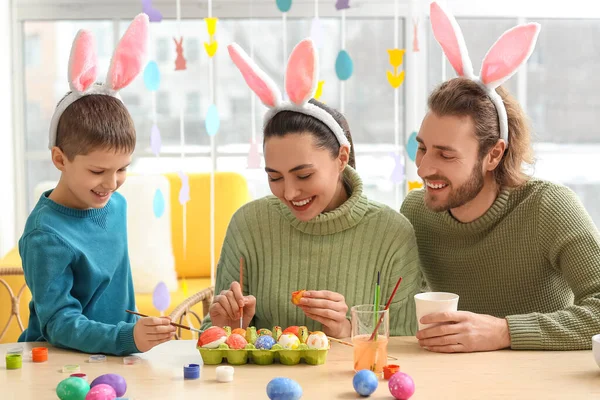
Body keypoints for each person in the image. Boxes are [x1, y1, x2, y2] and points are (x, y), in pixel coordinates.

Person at [401, 2, 600, 352]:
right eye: (422, 148)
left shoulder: (548, 207)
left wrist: (507, 332)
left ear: (493, 154)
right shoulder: (416, 212)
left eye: (446, 154)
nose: (424, 167)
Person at [200, 39, 424, 338]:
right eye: (275, 177)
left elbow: (408, 342)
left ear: (341, 158)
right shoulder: (249, 225)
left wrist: (348, 330)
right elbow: (212, 336)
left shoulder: (391, 233)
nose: (290, 193)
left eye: (303, 175)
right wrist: (226, 327)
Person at [18, 14, 176, 355]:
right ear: (60, 159)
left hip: (113, 357)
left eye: (122, 169)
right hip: (54, 363)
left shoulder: (116, 205)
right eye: (98, 171)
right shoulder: (45, 236)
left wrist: (131, 335)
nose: (111, 184)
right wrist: (125, 338)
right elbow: (58, 322)